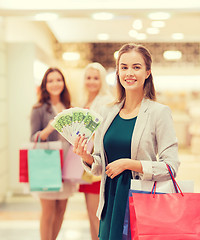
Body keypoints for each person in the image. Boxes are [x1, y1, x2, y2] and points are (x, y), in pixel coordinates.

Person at [73, 43, 180, 240]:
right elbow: (100, 166)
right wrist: (86, 156)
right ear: (117, 72)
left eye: (136, 67)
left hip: (140, 201)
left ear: (148, 72)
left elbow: (171, 166)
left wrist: (130, 164)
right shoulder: (107, 112)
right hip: (110, 203)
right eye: (124, 67)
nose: (129, 73)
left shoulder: (159, 112)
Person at [30, 67, 77, 240]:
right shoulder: (39, 108)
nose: (55, 84)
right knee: (48, 211)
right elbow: (33, 138)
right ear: (45, 85)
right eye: (50, 81)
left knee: (61, 209)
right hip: (47, 164)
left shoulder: (69, 107)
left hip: (67, 163)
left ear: (63, 83)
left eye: (58, 80)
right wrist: (48, 130)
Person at [78, 62, 114, 240]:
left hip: (97, 161)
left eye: (96, 78)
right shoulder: (84, 101)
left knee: (97, 214)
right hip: (85, 162)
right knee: (90, 213)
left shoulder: (106, 101)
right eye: (88, 77)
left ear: (102, 80)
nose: (91, 81)